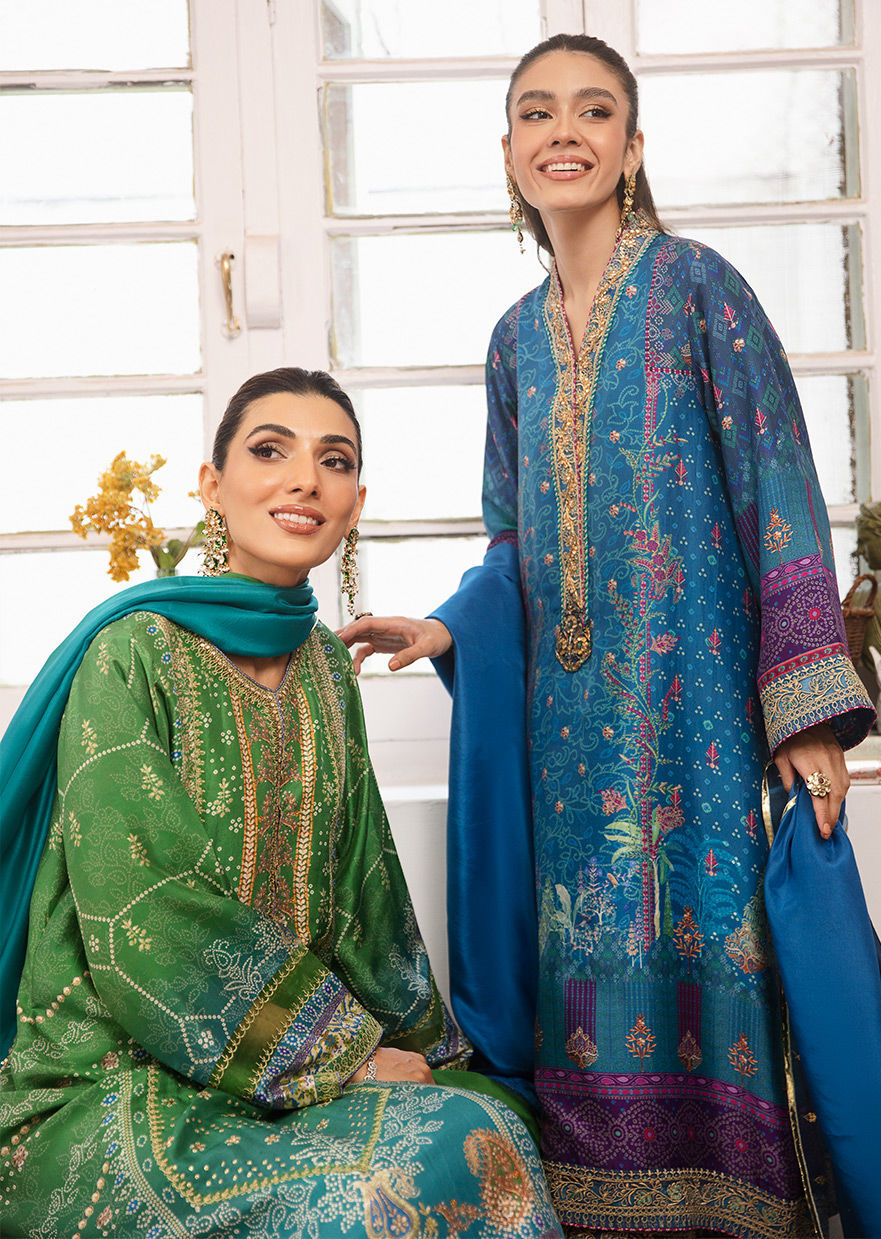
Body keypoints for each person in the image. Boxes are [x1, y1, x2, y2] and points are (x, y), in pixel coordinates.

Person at [339, 35, 877, 1239]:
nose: (563, 132)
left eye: (593, 112)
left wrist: (804, 706)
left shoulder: (701, 291)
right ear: (510, 152)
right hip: (569, 743)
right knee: (586, 972)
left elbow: (781, 488)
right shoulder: (513, 343)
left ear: (633, 150)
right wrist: (448, 627)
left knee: (724, 958)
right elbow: (512, 546)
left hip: (701, 722)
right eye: (538, 114)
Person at [0, 368, 562, 1238]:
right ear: (212, 485)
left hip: (289, 1078)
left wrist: (429, 1057)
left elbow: (366, 895)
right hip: (119, 1081)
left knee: (487, 1129)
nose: (305, 480)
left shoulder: (327, 671)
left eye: (334, 461)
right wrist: (346, 1055)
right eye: (271, 451)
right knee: (369, 1194)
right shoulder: (131, 654)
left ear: (356, 503)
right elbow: (146, 912)